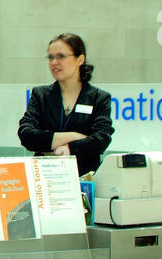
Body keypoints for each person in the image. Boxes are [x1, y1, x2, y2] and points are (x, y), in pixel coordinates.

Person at [17, 33, 113, 177]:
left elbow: (101, 139)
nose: (54, 62)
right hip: (45, 177)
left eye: (61, 56)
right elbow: (26, 134)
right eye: (50, 57)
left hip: (83, 178)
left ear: (80, 59)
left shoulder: (98, 98)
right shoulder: (41, 95)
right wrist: (74, 136)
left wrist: (69, 149)